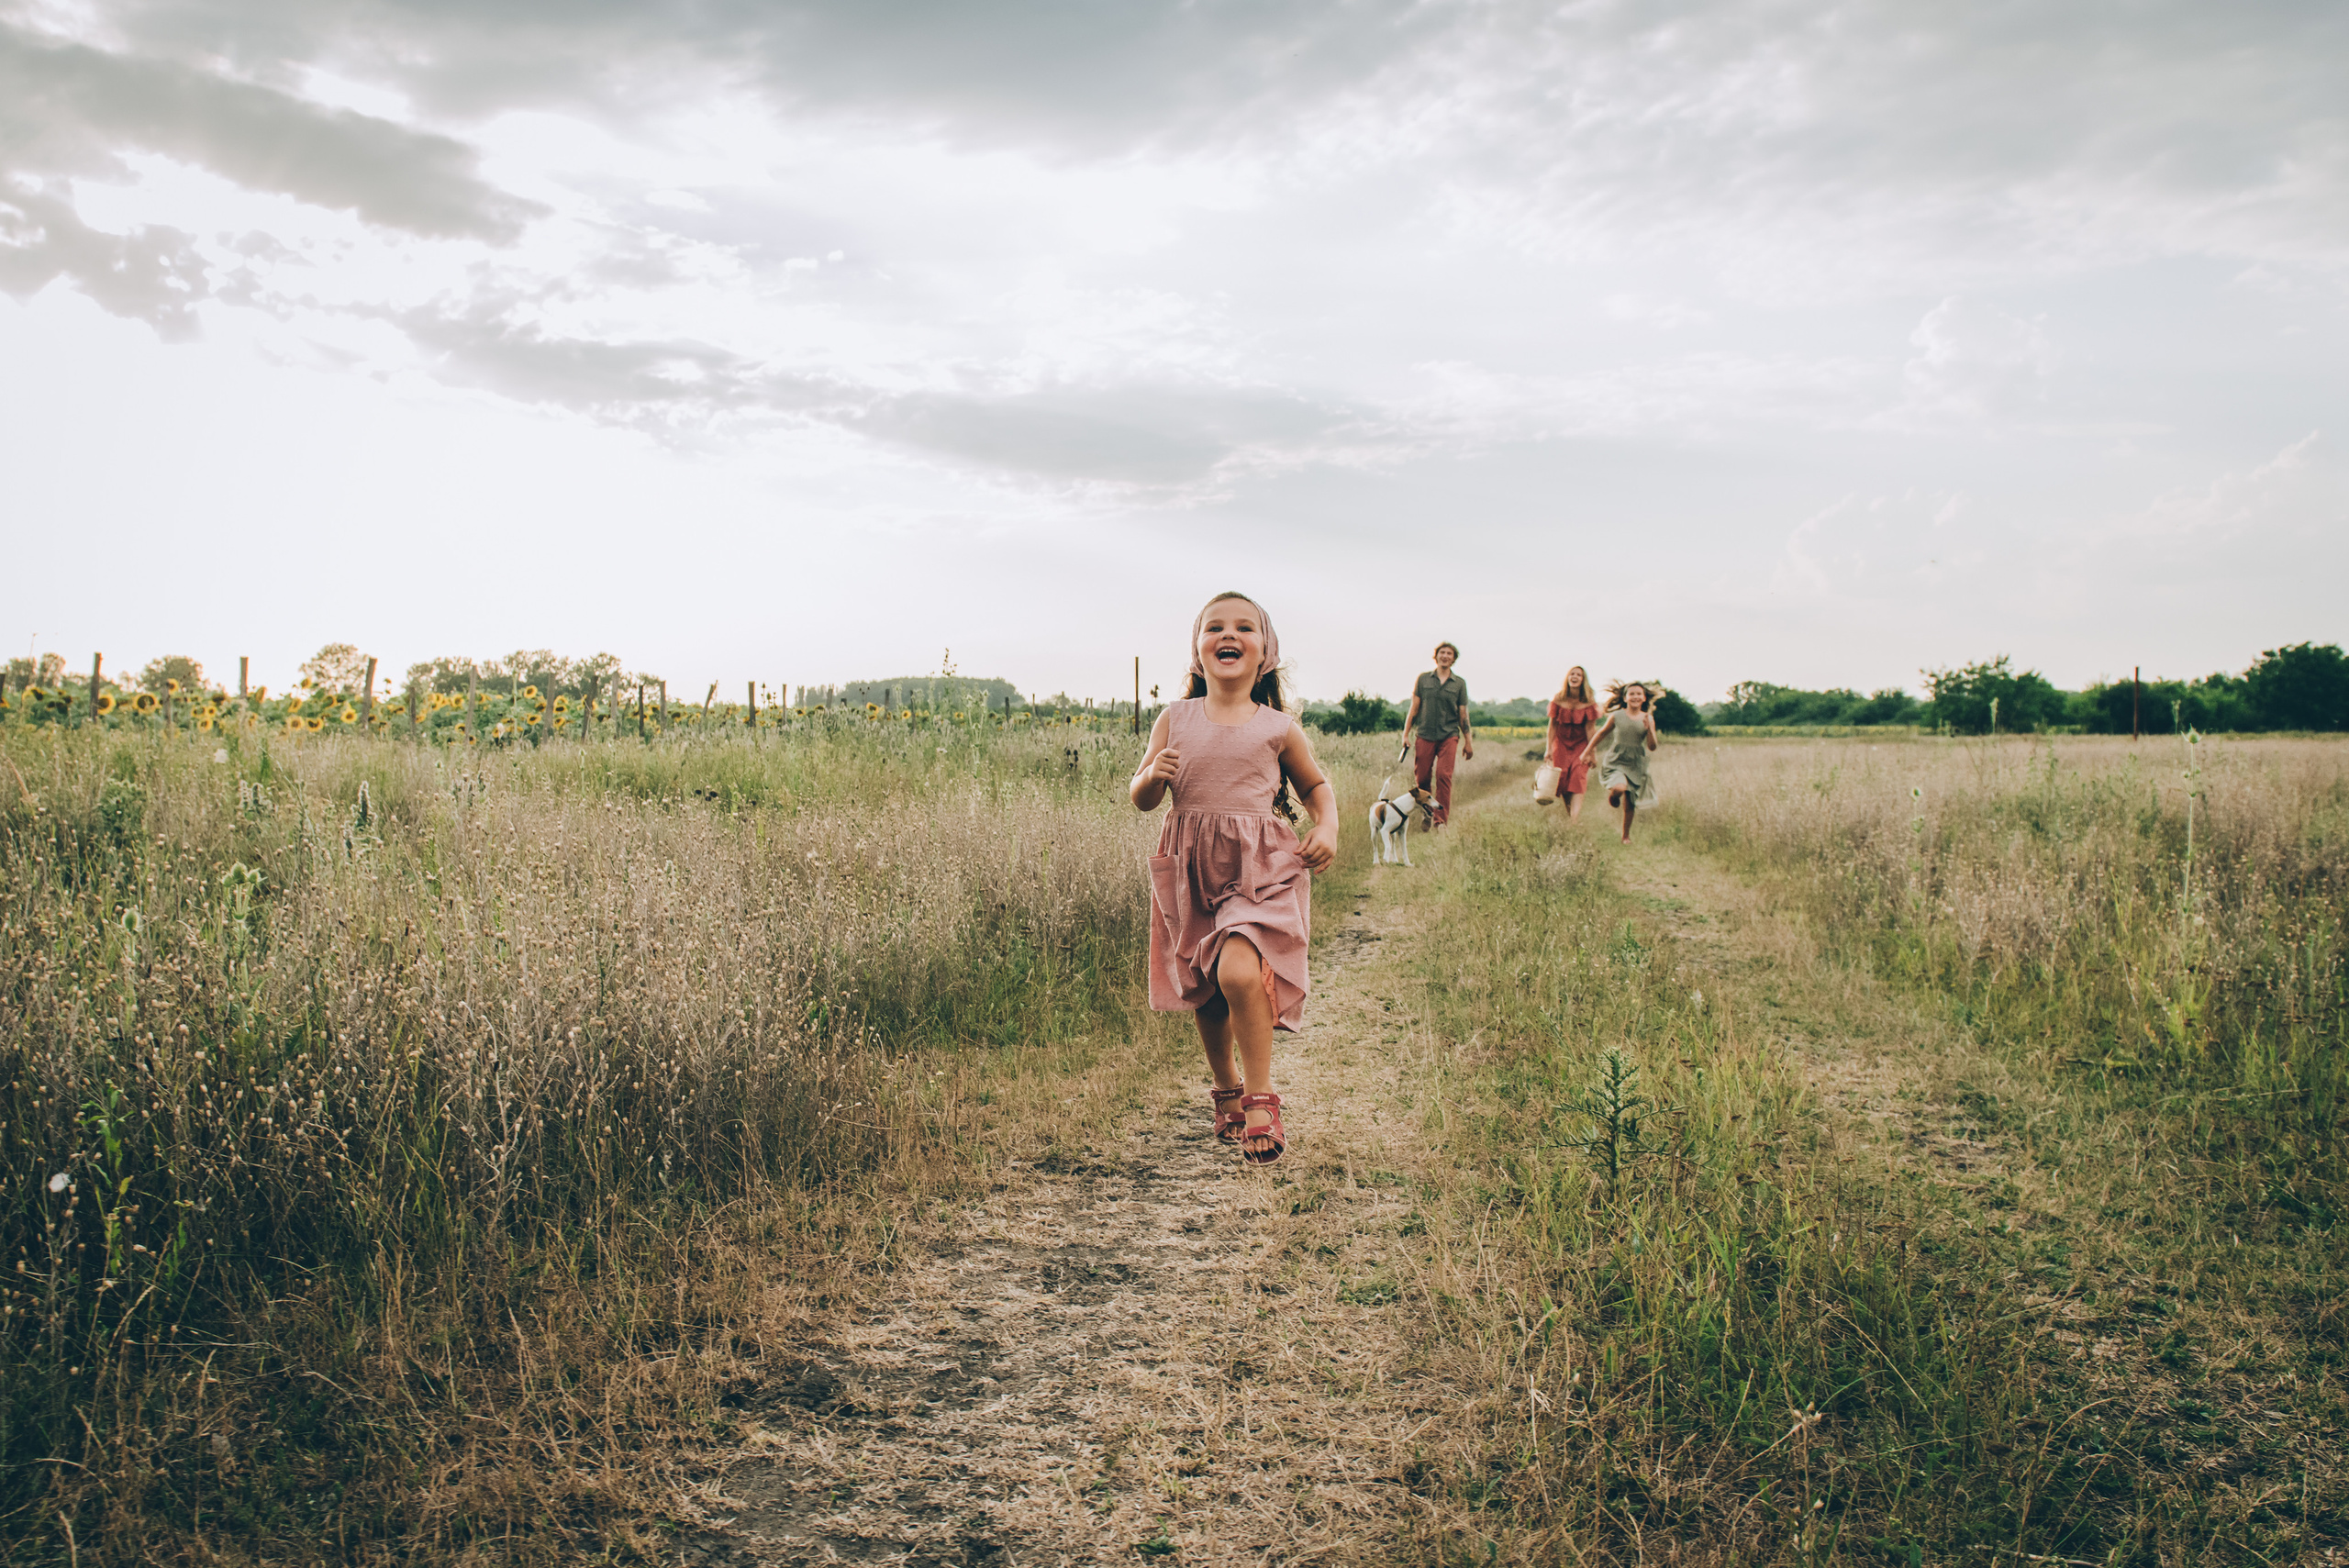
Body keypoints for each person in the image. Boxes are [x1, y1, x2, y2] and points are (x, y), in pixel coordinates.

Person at [1131, 592, 1339, 1166]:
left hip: (1260, 870)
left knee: (1239, 970)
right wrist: (1153, 775)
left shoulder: (1279, 727)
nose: (1229, 634)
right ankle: (1225, 1089)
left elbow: (1316, 788)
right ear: (1198, 652)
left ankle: (1260, 1098)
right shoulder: (1175, 717)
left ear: (1265, 653)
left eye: (1244, 627)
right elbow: (1141, 797)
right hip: (1192, 868)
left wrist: (1329, 826)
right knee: (1205, 984)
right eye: (1214, 627)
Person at [1577, 680, 1662, 843]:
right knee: (1619, 788)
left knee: (1630, 803)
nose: (1635, 696)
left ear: (1644, 698)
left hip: (1636, 761)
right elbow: (1601, 734)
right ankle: (1614, 796)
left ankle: (1625, 836)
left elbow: (1652, 747)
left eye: (1639, 694)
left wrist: (1649, 729)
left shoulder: (1648, 718)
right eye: (1632, 694)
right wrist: (1587, 752)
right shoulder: (1617, 716)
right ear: (1625, 698)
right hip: (1617, 759)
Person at [1400, 641, 1473, 828]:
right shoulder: (1424, 679)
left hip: (1449, 735)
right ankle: (1427, 813)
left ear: (1453, 659)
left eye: (1449, 653)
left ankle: (1440, 821)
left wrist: (1468, 741)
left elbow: (1463, 715)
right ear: (1436, 656)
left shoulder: (1459, 684)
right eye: (1442, 652)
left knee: (1443, 775)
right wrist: (1405, 734)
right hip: (1425, 734)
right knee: (1422, 778)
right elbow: (1414, 708)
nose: (1445, 656)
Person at [1544, 666, 1602, 821]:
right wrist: (1548, 749)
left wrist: (1592, 753)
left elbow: (1591, 729)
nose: (1575, 677)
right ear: (1567, 678)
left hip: (1581, 744)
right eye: (1572, 674)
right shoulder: (1558, 699)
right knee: (1562, 779)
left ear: (1583, 680)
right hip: (1561, 743)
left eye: (1579, 675)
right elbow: (1552, 726)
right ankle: (1570, 813)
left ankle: (1574, 820)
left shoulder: (1589, 701)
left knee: (1578, 776)